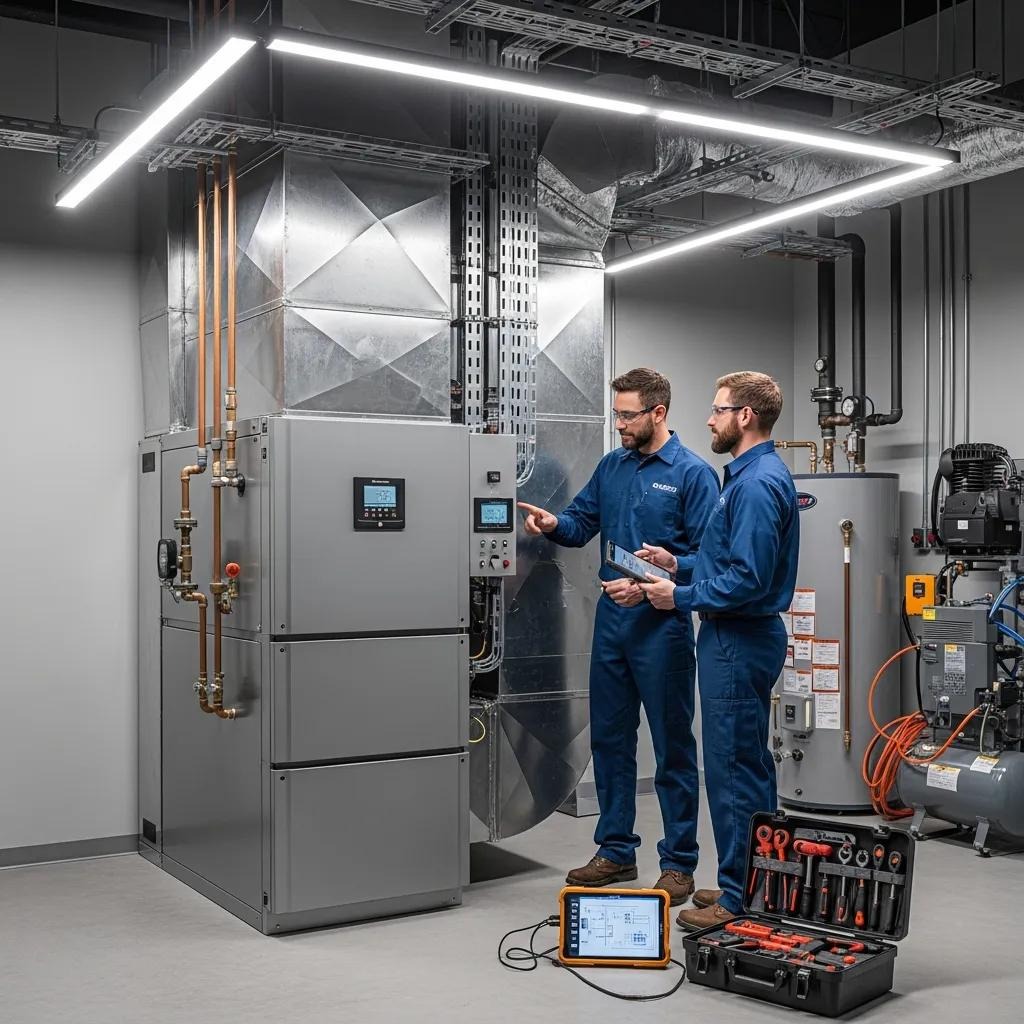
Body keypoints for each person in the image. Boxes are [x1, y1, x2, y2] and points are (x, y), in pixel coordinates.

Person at [517, 367, 720, 905]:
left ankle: (678, 863)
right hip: (612, 625)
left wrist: (656, 581)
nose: (620, 425)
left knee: (673, 748)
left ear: (658, 412)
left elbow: (708, 559)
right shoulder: (613, 466)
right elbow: (581, 523)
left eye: (628, 416)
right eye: (617, 415)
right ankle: (615, 850)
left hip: (662, 628)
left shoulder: (693, 475)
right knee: (609, 740)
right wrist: (553, 525)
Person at [638, 371, 799, 929]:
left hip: (737, 637)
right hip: (736, 635)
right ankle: (752, 881)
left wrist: (677, 596)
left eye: (718, 410)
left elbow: (748, 580)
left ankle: (739, 898)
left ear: (745, 416)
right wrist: (677, 563)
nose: (708, 419)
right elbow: (728, 562)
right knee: (747, 765)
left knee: (733, 769)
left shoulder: (755, 485)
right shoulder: (750, 476)